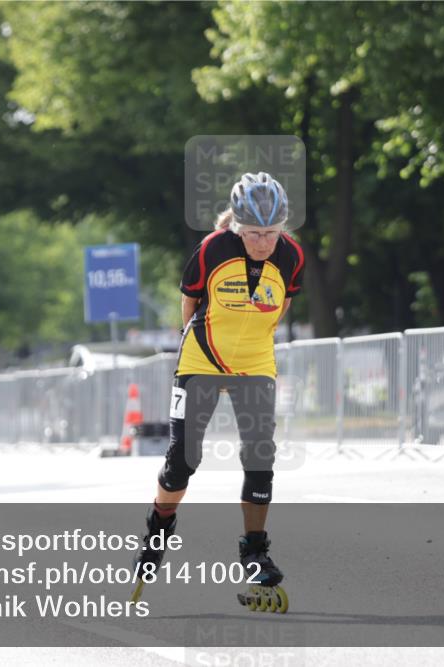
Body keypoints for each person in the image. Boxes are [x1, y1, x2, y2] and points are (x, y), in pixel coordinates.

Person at [134, 172, 304, 594]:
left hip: (255, 362)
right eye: (253, 233)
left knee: (261, 456)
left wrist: (251, 349)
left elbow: (279, 306)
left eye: (271, 233)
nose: (264, 242)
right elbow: (190, 301)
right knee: (183, 460)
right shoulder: (212, 249)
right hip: (203, 357)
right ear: (236, 227)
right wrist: (202, 345)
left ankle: (255, 550)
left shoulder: (292, 256)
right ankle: (159, 529)